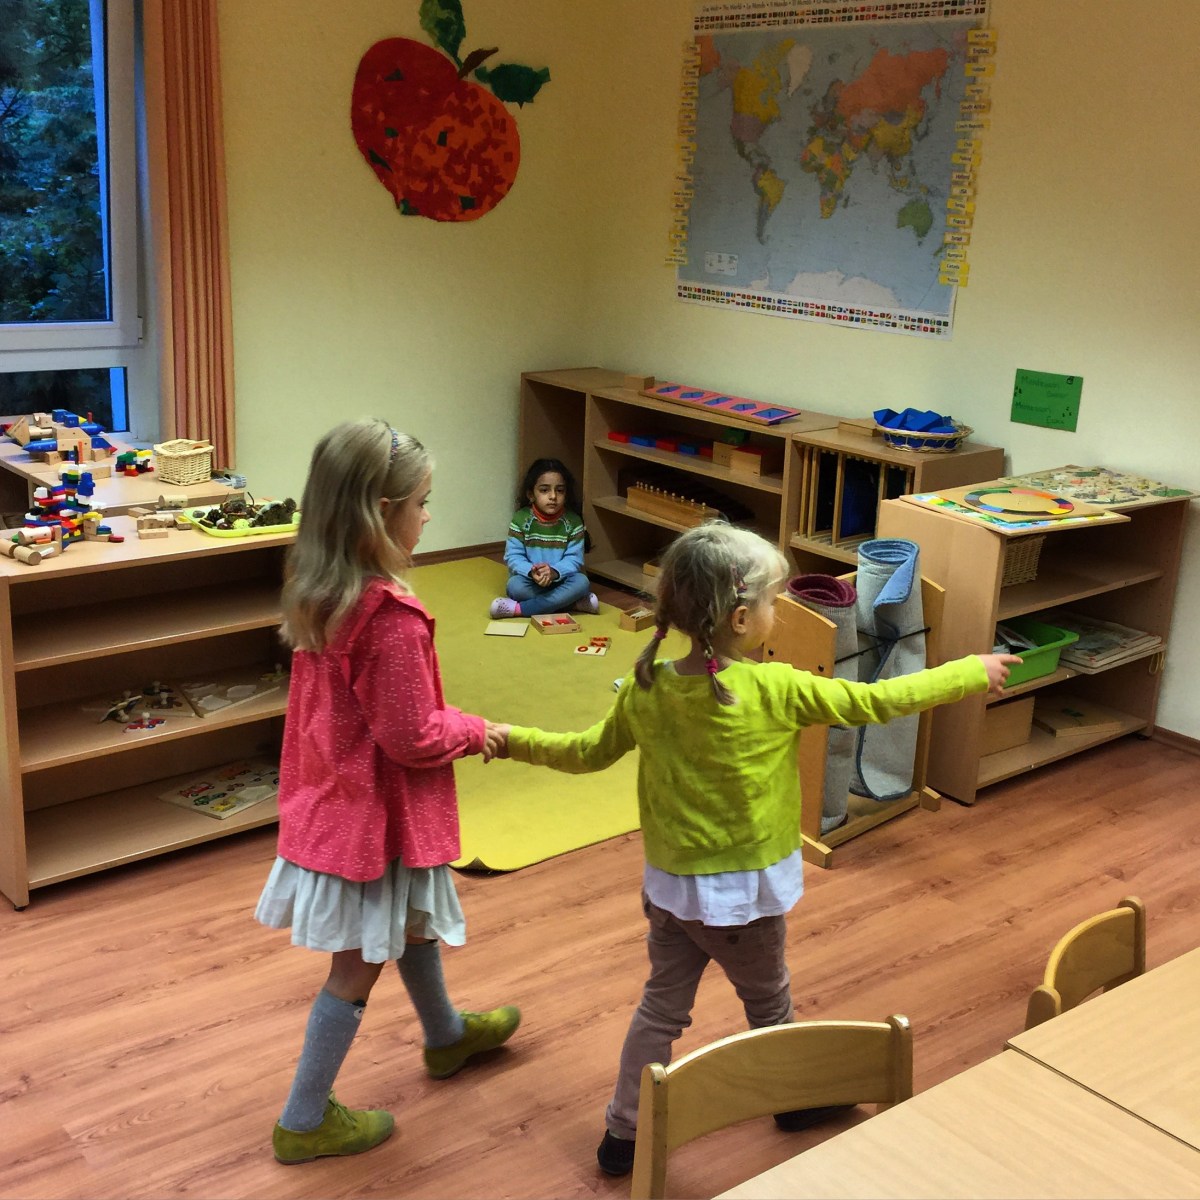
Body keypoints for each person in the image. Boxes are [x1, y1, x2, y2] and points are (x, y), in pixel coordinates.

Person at [493, 521, 1020, 1176]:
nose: (779, 610)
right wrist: (968, 672)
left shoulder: (646, 688)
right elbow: (877, 701)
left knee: (661, 1008)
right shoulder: (777, 689)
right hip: (742, 899)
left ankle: (622, 1134)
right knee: (770, 1005)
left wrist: (511, 738)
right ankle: (793, 1102)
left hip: (672, 892)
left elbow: (583, 754)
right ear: (742, 619)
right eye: (774, 600)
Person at [256, 418, 520, 1166]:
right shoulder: (388, 619)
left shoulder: (322, 592)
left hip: (342, 801)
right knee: (354, 969)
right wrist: (477, 730)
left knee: (411, 924)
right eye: (422, 502)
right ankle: (304, 1120)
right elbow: (412, 736)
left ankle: (446, 1036)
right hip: (371, 820)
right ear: (381, 513)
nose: (428, 516)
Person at [489, 457, 598, 618]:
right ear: (531, 494)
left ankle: (519, 609)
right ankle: (572, 603)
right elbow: (513, 557)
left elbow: (574, 560)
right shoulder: (521, 519)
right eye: (544, 490)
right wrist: (532, 572)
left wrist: (554, 572)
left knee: (582, 582)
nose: (553, 496)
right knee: (515, 586)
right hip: (532, 581)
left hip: (562, 580)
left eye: (560, 490)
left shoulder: (573, 522)